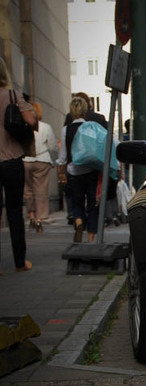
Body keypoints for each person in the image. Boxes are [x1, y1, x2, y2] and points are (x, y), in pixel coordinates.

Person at [0, 57, 36, 273]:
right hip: (12, 159)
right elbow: (31, 121)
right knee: (14, 210)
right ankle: (20, 263)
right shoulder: (14, 96)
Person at [58, 96, 99, 243]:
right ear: (85, 110)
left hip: (73, 170)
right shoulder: (91, 127)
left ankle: (79, 222)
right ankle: (91, 237)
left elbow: (63, 154)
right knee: (93, 204)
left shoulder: (65, 130)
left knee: (77, 201)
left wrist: (61, 168)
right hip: (90, 170)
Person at [23, 102, 56, 233]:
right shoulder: (46, 127)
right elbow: (52, 146)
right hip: (42, 160)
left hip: (25, 160)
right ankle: (39, 219)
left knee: (27, 189)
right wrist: (53, 160)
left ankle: (30, 215)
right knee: (41, 190)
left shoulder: (24, 126)